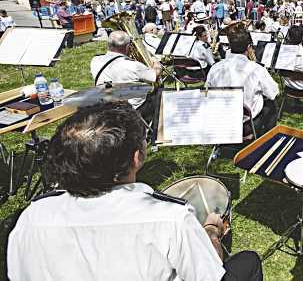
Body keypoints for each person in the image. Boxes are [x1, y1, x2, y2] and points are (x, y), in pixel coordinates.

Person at [8, 102, 263, 281]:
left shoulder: (32, 216)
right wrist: (212, 233)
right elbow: (208, 275)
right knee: (248, 261)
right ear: (137, 157)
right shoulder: (171, 219)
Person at [206, 27, 279, 136]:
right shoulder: (256, 69)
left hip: (221, 121)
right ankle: (267, 140)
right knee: (271, 104)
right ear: (249, 47)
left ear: (230, 46)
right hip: (245, 126)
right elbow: (273, 93)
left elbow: (207, 93)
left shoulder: (215, 68)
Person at [90, 31, 162, 110]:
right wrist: (156, 61)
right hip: (134, 110)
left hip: (106, 106)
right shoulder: (134, 66)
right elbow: (155, 74)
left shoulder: (95, 60)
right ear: (127, 47)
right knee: (160, 94)